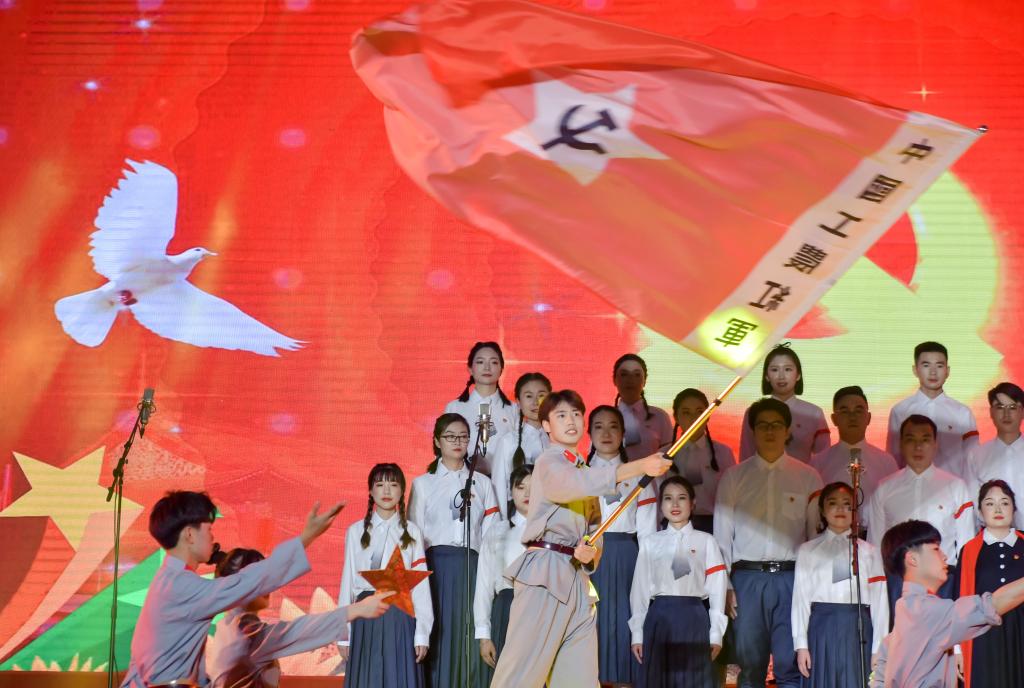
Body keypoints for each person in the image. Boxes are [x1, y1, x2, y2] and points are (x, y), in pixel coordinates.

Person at [490, 390, 672, 688]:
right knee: (520, 676)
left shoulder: (584, 470)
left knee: (581, 680)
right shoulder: (549, 462)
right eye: (561, 415)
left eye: (576, 414)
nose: (571, 421)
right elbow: (572, 485)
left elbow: (594, 528)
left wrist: (591, 555)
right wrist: (639, 466)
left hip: (578, 581)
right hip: (545, 575)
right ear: (546, 425)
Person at [121, 491, 344, 688]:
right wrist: (306, 537)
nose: (212, 536)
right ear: (189, 534)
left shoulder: (168, 581)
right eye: (208, 529)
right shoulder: (183, 586)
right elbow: (250, 581)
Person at [714, 398, 824, 688]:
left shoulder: (808, 477)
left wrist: (813, 586)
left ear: (788, 431)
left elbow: (815, 539)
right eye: (763, 425)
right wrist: (725, 586)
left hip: (792, 579)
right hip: (746, 581)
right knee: (750, 667)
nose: (770, 431)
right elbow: (722, 539)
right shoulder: (734, 477)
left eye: (777, 425)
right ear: (753, 431)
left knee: (791, 664)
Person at [870, 519, 1024, 687]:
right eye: (935, 549)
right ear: (912, 559)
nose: (944, 556)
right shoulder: (925, 611)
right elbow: (992, 605)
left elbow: (879, 680)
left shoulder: (902, 621)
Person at [206, 549, 391, 688]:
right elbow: (297, 632)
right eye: (258, 577)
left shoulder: (228, 626)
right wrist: (356, 610)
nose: (268, 583)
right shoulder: (245, 632)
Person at [409, 413, 501, 688]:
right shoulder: (423, 483)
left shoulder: (482, 483)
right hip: (434, 570)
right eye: (450, 436)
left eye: (463, 436)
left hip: (473, 567)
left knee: (470, 633)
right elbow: (413, 535)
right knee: (439, 634)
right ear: (437, 441)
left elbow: (493, 535)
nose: (457, 442)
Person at [866, 414, 974, 611]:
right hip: (898, 582)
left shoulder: (955, 487)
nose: (918, 447)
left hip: (944, 582)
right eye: (911, 439)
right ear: (900, 444)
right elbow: (876, 544)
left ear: (935, 444)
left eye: (925, 440)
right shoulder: (885, 488)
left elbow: (967, 545)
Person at [339, 463, 432, 688]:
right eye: (380, 485)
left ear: (402, 491)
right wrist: (343, 634)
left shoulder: (412, 532)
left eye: (393, 485)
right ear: (370, 491)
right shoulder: (355, 531)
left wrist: (422, 633)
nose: (387, 491)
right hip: (365, 617)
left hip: (400, 616)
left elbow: (421, 587)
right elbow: (347, 583)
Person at [629, 476, 727, 688]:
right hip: (659, 619)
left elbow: (718, 590)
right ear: (660, 505)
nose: (674, 504)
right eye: (668, 498)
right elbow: (639, 590)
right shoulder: (650, 542)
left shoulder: (707, 541)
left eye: (681, 498)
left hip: (694, 619)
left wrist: (716, 634)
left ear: (693, 503)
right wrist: (637, 633)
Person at [586, 405, 658, 687]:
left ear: (623, 434)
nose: (606, 433)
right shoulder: (580, 474)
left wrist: (648, 573)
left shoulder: (641, 475)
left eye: (613, 426)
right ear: (589, 433)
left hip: (628, 557)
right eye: (598, 427)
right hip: (589, 559)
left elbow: (648, 535)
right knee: (592, 624)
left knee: (626, 622)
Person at [791, 482, 888, 688]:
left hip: (857, 627)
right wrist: (801, 645)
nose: (840, 509)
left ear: (855, 511)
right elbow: (800, 599)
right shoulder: (808, 551)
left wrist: (879, 648)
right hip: (821, 627)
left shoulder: (869, 552)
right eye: (833, 503)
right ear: (822, 510)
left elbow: (880, 602)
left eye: (847, 504)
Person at [954, 480, 1024, 688]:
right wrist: (957, 649)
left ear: (1014, 509)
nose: (998, 509)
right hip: (982, 636)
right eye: (990, 503)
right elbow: (960, 600)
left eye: (1005, 502)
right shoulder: (970, 550)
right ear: (980, 512)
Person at [473, 465, 533, 684]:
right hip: (506, 608)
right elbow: (484, 586)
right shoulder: (498, 531)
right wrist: (484, 636)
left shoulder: (554, 531)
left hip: (541, 608)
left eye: (535, 488)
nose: (528, 494)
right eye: (521, 487)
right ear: (511, 492)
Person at [810, 386, 897, 534]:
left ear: (868, 417)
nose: (852, 417)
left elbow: (893, 508)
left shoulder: (887, 462)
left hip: (874, 538)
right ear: (834, 419)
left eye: (858, 410)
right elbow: (814, 512)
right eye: (844, 411)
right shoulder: (818, 462)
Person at [885, 341, 979, 478]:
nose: (933, 372)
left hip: (951, 488)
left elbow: (973, 461)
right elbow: (893, 460)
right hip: (911, 487)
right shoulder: (900, 411)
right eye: (926, 365)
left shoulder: (962, 413)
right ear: (915, 370)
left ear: (947, 371)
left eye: (939, 366)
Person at [739, 344, 830, 462]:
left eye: (788, 369)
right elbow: (746, 457)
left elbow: (824, 460)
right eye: (774, 370)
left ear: (798, 375)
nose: (781, 376)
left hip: (802, 474)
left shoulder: (814, 413)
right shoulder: (753, 412)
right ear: (766, 376)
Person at [666, 388, 736, 534]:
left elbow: (732, 500)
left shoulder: (723, 453)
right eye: (686, 412)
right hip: (673, 528)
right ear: (676, 417)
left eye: (700, 412)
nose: (694, 418)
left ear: (708, 415)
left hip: (714, 527)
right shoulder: (663, 455)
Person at [444, 341, 520, 471]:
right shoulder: (455, 408)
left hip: (504, 480)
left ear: (501, 369)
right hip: (464, 479)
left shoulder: (514, 410)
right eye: (480, 362)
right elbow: (444, 451)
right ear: (470, 369)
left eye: (494, 362)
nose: (487, 367)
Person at [965, 382, 1024, 529]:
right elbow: (973, 503)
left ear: (1022, 411)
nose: (1006, 414)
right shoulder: (976, 455)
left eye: (1012, 407)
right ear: (991, 412)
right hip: (994, 536)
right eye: (1000, 407)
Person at [490, 372, 551, 510]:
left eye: (541, 395)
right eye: (529, 396)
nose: (535, 402)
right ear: (518, 402)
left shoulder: (557, 441)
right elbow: (499, 490)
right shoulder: (508, 442)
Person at [612, 353, 674, 461]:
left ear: (645, 380)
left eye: (637, 375)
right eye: (624, 374)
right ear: (614, 380)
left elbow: (669, 458)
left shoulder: (660, 417)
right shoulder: (605, 417)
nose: (630, 380)